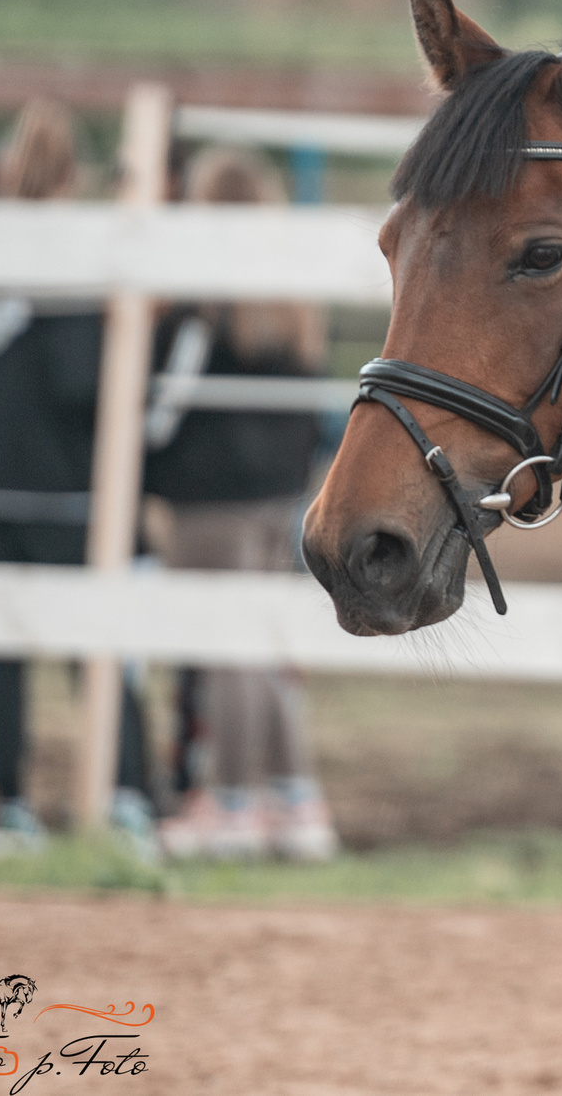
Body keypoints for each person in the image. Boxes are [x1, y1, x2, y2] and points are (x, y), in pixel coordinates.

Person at [0, 99, 157, 858]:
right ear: (73, 171)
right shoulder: (75, 254)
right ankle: (131, 794)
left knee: (5, 652)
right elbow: (80, 385)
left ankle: (10, 809)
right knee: (95, 646)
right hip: (63, 485)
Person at [145, 146, 337, 862]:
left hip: (209, 499)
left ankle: (228, 803)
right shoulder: (293, 305)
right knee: (264, 649)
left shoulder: (200, 311)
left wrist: (134, 465)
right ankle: (294, 798)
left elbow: (158, 410)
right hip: (278, 496)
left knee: (230, 652)